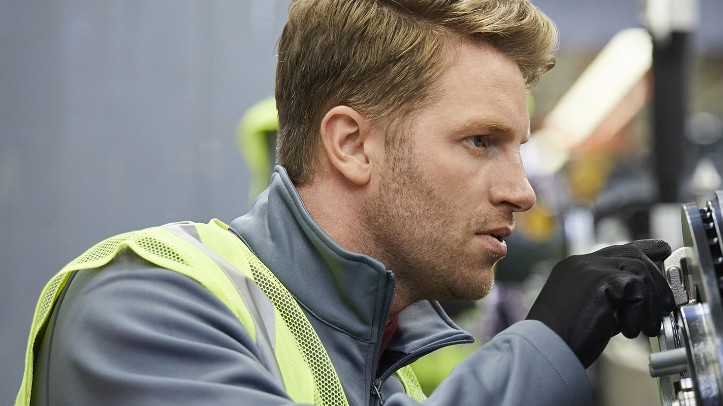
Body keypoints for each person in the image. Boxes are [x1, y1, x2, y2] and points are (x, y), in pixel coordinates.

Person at [17, 0, 676, 404]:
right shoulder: (140, 307)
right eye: (480, 141)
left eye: (518, 149)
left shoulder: (388, 371)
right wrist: (545, 345)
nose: (522, 191)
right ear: (352, 145)